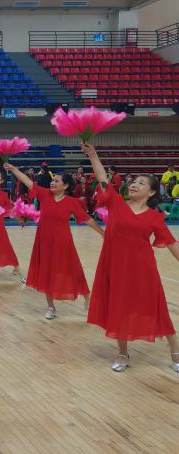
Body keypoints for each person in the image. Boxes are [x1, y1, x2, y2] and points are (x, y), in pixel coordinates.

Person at [82, 143, 179, 373]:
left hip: (143, 269)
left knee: (156, 308)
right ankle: (123, 353)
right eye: (134, 181)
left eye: (141, 183)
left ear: (152, 192)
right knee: (119, 308)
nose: (134, 184)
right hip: (115, 267)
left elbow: (171, 243)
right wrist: (93, 154)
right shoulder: (116, 203)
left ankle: (175, 352)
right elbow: (102, 179)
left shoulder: (155, 217)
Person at [5, 163, 104, 319]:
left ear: (65, 186)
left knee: (73, 272)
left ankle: (87, 298)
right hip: (44, 242)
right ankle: (51, 307)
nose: (52, 182)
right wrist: (14, 170)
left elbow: (87, 219)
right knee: (48, 274)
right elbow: (27, 182)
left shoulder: (72, 202)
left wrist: (102, 233)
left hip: (63, 242)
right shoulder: (44, 194)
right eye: (52, 180)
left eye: (57, 181)